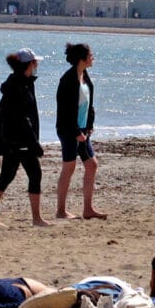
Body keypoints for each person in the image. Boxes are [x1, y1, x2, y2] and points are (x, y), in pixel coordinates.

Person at [0, 49, 50, 228]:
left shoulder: (26, 83)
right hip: (17, 141)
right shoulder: (17, 86)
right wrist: (34, 143)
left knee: (22, 175)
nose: (36, 65)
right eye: (35, 62)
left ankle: (36, 218)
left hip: (20, 140)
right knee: (14, 175)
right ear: (29, 64)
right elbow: (22, 118)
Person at [55, 42, 106, 219]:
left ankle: (88, 209)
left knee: (92, 165)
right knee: (69, 167)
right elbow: (65, 110)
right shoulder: (68, 79)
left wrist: (89, 126)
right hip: (69, 130)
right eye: (91, 55)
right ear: (83, 58)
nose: (93, 58)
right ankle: (61, 211)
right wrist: (76, 131)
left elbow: (89, 105)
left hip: (83, 131)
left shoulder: (85, 76)